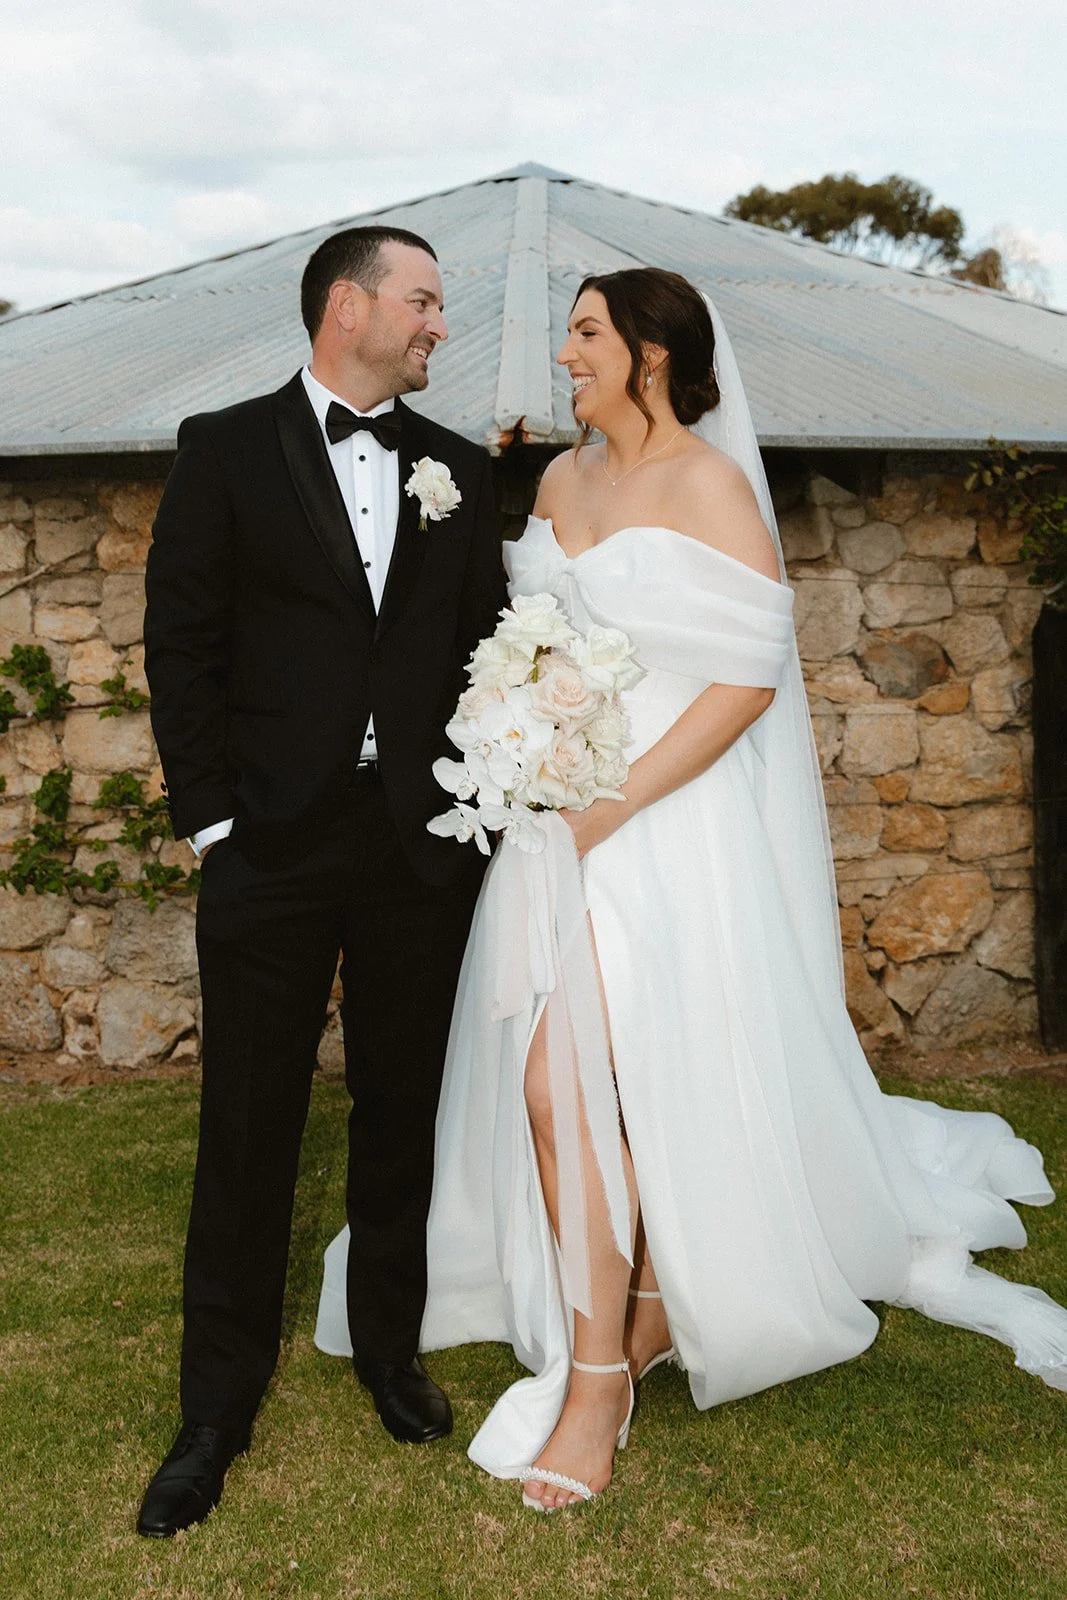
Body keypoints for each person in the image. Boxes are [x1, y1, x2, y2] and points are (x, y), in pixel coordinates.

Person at [315, 268, 1067, 1511]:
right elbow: (528, 643)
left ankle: (602, 1372)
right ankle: (632, 1318)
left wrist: (610, 803)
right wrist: (523, 745)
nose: (564, 351)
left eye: (585, 332)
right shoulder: (557, 483)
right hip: (556, 829)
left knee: (607, 1085)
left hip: (666, 830)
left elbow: (747, 680)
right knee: (561, 1089)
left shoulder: (711, 486)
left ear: (651, 354)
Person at [139, 226, 507, 1537]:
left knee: (399, 1111)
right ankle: (212, 1411)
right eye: (422, 300)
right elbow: (178, 642)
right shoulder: (222, 449)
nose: (436, 326)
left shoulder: (458, 473)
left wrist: (472, 814)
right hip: (272, 850)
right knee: (247, 1123)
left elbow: (486, 661)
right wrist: (216, 827)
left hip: (415, 846)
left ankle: (390, 1356)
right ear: (345, 307)